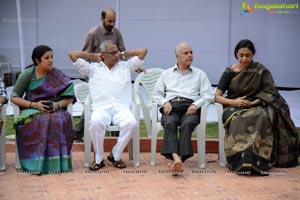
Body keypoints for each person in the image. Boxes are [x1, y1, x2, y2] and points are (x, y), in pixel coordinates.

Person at [215, 39, 299, 175]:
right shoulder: (229, 71)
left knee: (261, 115)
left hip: (255, 105)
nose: (244, 58)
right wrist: (235, 103)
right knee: (237, 120)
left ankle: (258, 160)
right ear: (236, 54)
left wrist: (254, 102)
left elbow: (270, 92)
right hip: (233, 107)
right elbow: (217, 96)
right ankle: (239, 160)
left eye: (247, 55)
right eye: (241, 55)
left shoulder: (260, 70)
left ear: (253, 54)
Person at [69, 40, 147, 170]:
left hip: (121, 108)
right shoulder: (92, 69)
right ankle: (99, 158)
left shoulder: (126, 66)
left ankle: (115, 155)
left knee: (132, 123)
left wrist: (122, 54)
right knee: (95, 122)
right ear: (104, 54)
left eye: (117, 52)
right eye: (113, 52)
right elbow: (72, 54)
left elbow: (143, 51)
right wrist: (94, 57)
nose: (116, 55)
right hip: (101, 108)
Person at [10, 45, 75, 174]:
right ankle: (36, 164)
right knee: (39, 120)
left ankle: (57, 164)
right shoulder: (28, 74)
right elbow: (14, 97)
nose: (50, 60)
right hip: (32, 109)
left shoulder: (57, 75)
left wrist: (57, 105)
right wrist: (34, 105)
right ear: (37, 60)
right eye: (46, 58)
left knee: (60, 119)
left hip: (55, 109)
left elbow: (70, 98)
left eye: (51, 57)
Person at [152, 42, 214, 175]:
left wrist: (195, 105)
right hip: (171, 106)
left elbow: (209, 95)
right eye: (186, 53)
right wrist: (164, 102)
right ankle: (176, 158)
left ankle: (177, 160)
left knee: (188, 123)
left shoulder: (200, 74)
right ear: (177, 56)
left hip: (190, 107)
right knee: (169, 123)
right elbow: (155, 94)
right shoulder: (167, 74)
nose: (190, 55)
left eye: (191, 52)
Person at [73, 8, 126, 142]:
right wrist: (94, 68)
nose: (112, 24)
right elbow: (84, 54)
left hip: (114, 73)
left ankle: (114, 139)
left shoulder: (116, 33)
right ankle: (77, 133)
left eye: (114, 21)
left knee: (114, 104)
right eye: (109, 21)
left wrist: (129, 64)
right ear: (102, 19)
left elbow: (123, 51)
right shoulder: (93, 33)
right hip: (97, 74)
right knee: (94, 105)